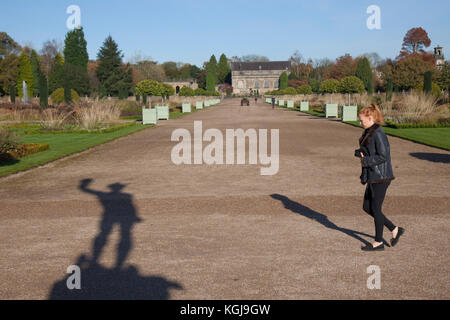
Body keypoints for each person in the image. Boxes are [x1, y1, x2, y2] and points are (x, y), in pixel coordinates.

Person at [356, 104, 405, 251]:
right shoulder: (369, 131)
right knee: (367, 207)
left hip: (381, 177)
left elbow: (383, 156)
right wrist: (362, 155)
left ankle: (378, 242)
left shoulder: (378, 133)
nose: (360, 123)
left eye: (361, 120)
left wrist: (365, 160)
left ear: (370, 118)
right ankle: (394, 229)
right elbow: (371, 152)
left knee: (376, 209)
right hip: (373, 175)